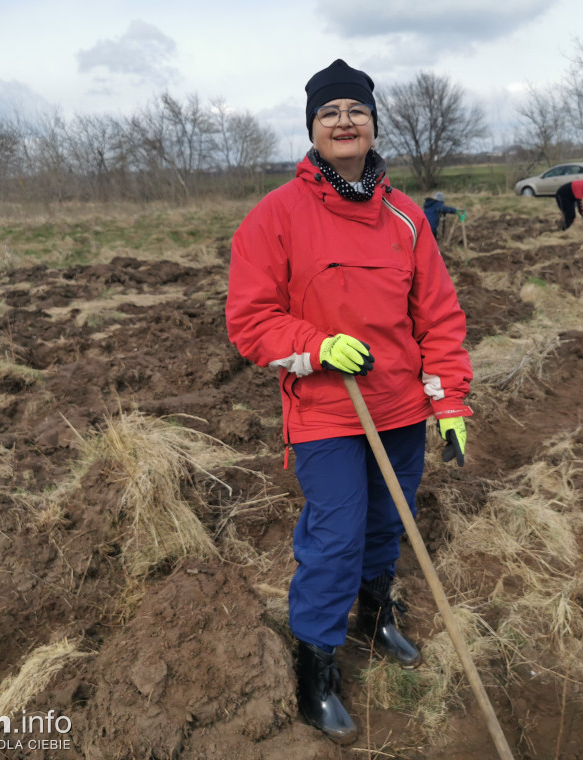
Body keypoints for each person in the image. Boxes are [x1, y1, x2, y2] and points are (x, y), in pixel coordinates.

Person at [225, 58, 473, 745]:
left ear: (372, 123)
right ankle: (317, 662)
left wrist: (449, 403)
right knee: (334, 534)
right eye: (330, 112)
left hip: (398, 407)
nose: (344, 121)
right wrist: (315, 345)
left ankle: (376, 613)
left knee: (386, 523)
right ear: (312, 127)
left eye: (356, 111)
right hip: (327, 412)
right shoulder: (276, 216)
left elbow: (439, 318)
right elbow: (249, 321)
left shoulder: (407, 218)